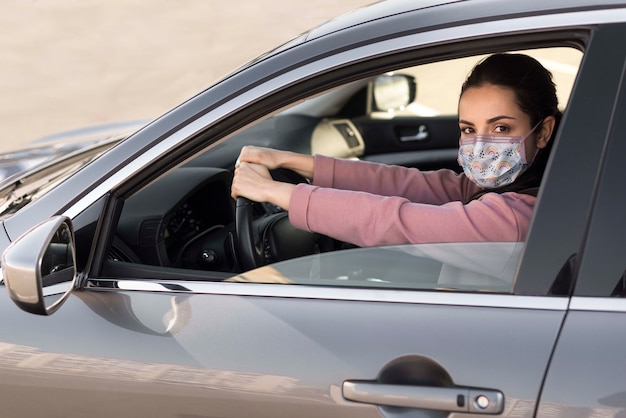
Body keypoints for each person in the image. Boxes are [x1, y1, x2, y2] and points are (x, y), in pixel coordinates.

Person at [231, 53, 560, 247]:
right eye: (468, 130)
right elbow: (412, 185)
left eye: (501, 128)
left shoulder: (514, 218)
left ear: (542, 131)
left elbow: (395, 221)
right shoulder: (508, 186)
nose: (481, 145)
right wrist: (290, 160)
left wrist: (273, 191)